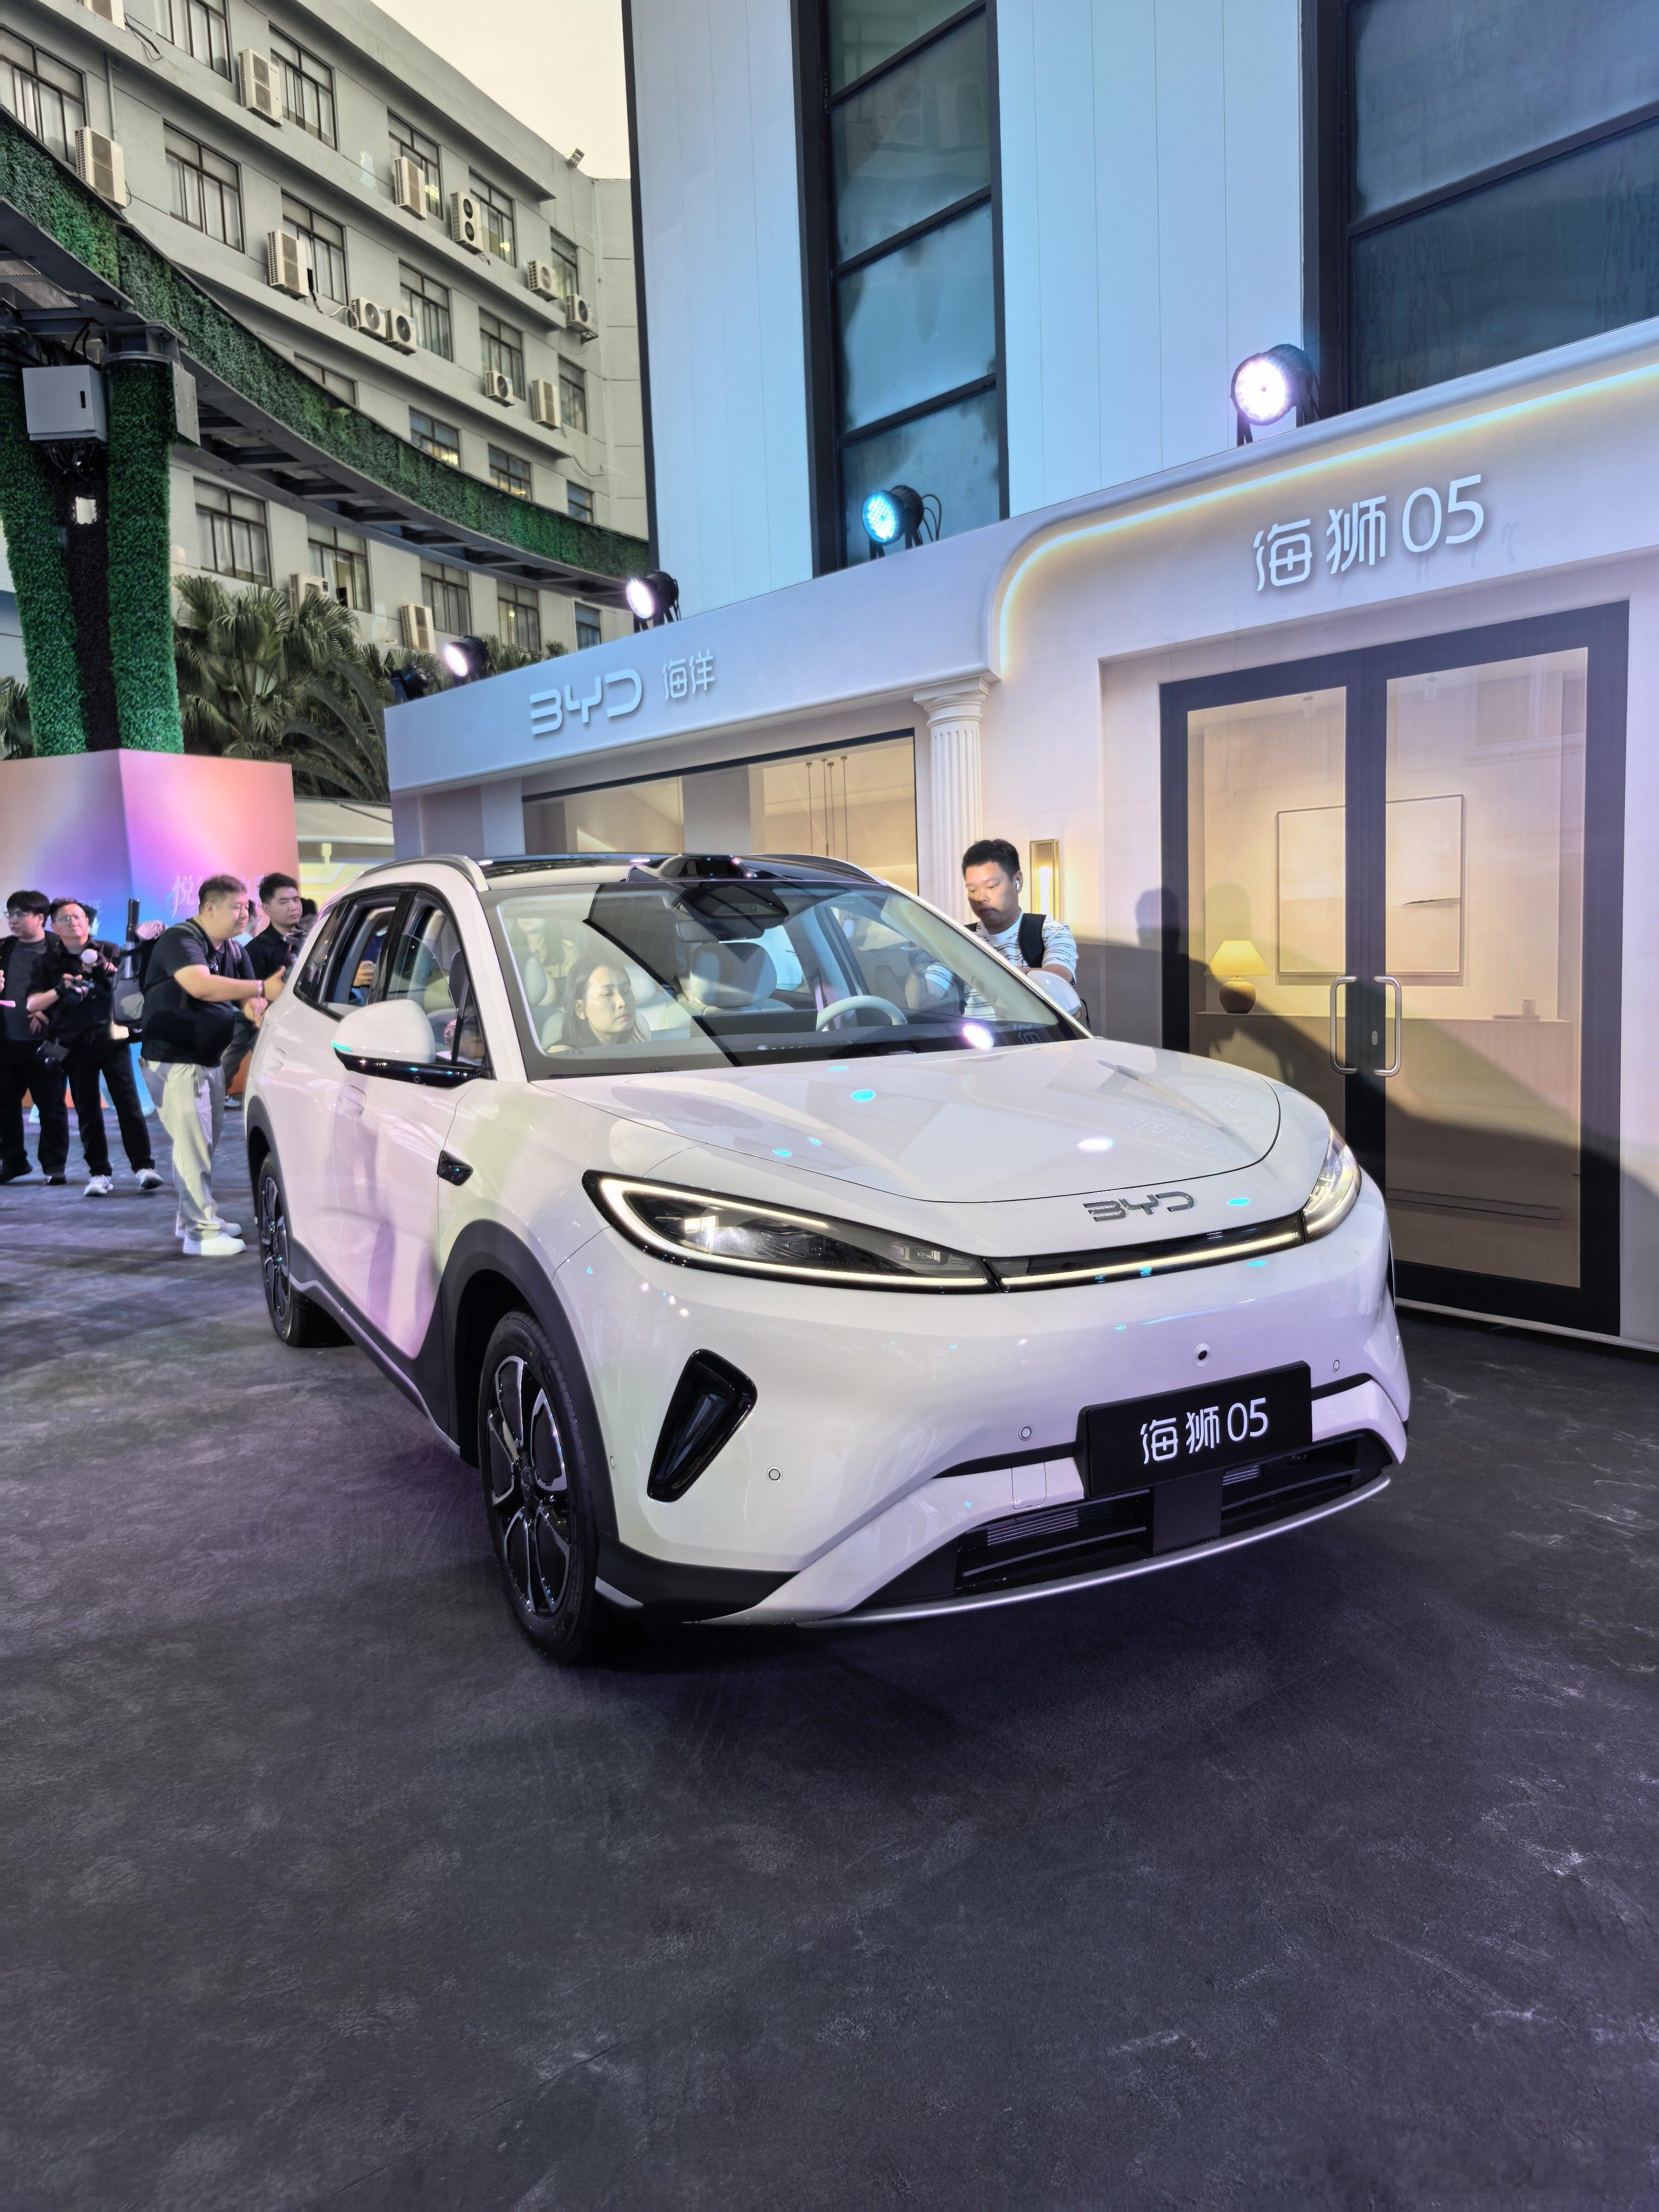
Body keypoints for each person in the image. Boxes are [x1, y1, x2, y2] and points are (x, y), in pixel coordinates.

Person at [140, 875, 281, 1256]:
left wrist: (256, 1006)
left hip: (208, 1060)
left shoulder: (233, 949)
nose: (244, 914)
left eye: (246, 907)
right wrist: (260, 989)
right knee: (192, 1148)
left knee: (201, 1146)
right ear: (209, 908)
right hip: (174, 1061)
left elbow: (247, 997)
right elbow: (200, 985)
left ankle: (192, 1218)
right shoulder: (180, 940)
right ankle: (200, 1235)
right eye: (236, 907)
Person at [27, 898, 161, 1195]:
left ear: (88, 922)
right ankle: (99, 1173)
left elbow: (133, 986)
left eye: (78, 917)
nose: (73, 923)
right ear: (54, 927)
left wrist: (106, 967)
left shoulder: (110, 950)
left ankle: (144, 1167)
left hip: (112, 1039)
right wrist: (61, 989)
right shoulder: (47, 962)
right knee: (87, 1111)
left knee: (129, 1105)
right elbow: (32, 1002)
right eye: (65, 919)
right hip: (73, 1046)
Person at [960, 838, 1083, 1017]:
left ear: (1018, 881)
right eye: (972, 890)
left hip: (1032, 1034)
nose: (981, 897)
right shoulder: (960, 938)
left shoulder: (1050, 932)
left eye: (991, 886)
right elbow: (930, 994)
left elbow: (1057, 979)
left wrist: (989, 968)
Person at [0, 889, 70, 1184]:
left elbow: (74, 992)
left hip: (47, 1044)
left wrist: (48, 1013)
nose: (13, 920)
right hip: (7, 1042)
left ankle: (54, 1166)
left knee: (51, 1107)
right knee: (4, 1105)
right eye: (10, 913)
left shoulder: (60, 949)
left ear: (40, 918)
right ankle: (14, 1161)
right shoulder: (4, 948)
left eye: (20, 914)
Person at [221, 872, 305, 1093]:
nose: (293, 907)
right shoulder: (256, 949)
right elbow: (247, 996)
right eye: (283, 902)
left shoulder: (312, 941)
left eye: (296, 900)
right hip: (269, 1031)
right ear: (266, 909)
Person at [552, 956, 645, 1053]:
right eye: (608, 994)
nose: (622, 1002)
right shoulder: (563, 1055)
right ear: (580, 1009)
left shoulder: (630, 1051)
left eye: (626, 991)